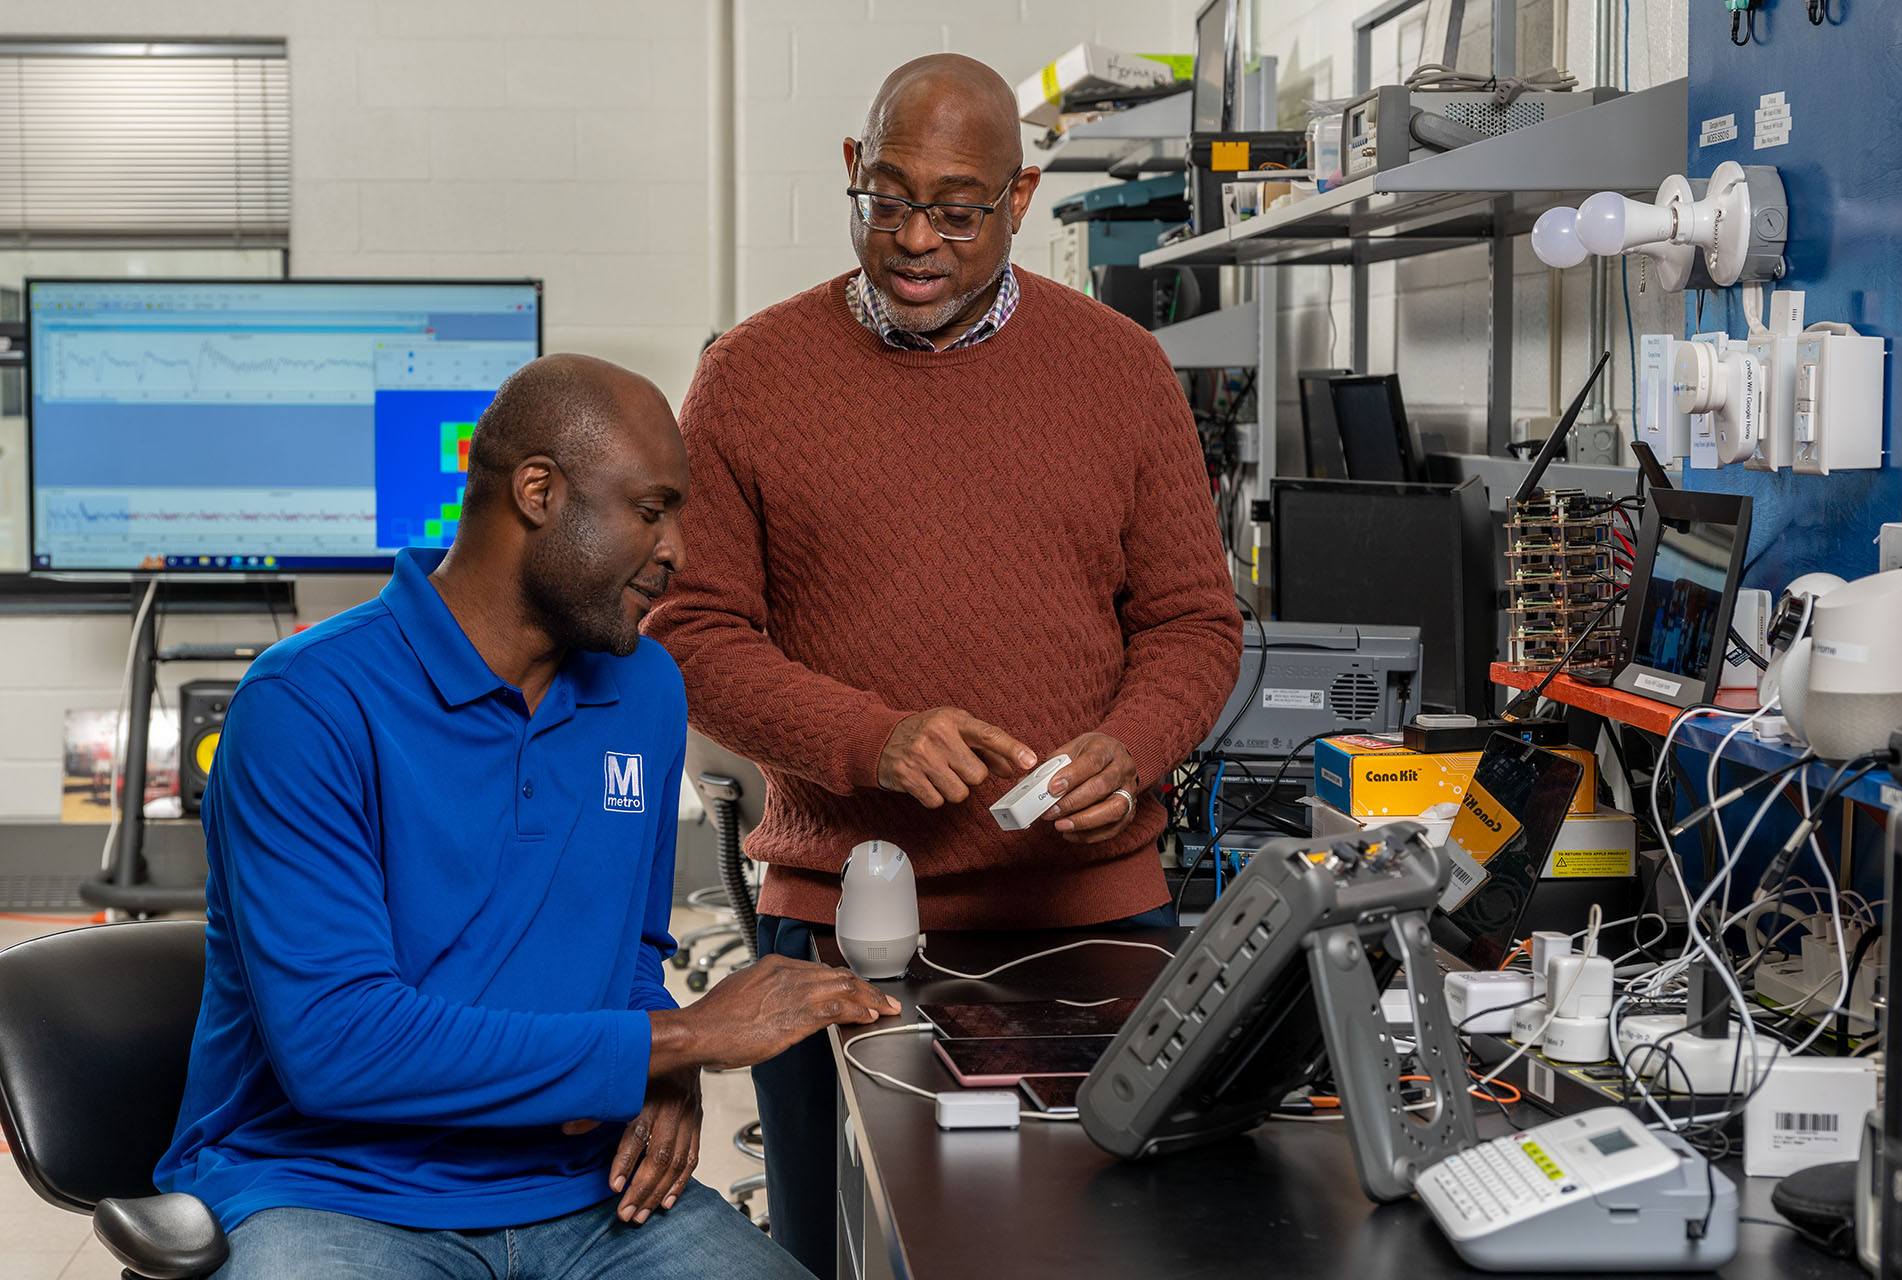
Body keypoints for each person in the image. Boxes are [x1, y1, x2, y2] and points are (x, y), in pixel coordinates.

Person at [642, 55, 1242, 1276]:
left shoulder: (1122, 370)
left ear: (1021, 201)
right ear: (855, 174)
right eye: (889, 199)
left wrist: (1132, 746)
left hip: (1095, 912)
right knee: (844, 1244)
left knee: (1107, 1243)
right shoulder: (751, 377)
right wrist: (872, 737)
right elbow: (691, 632)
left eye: (959, 210)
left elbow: (1193, 623)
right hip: (847, 937)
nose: (915, 239)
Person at [156, 354, 900, 1280]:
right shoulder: (307, 703)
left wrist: (656, 1062)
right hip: (330, 1191)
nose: (679, 553)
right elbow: (339, 1048)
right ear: (539, 492)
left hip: (585, 1193)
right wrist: (679, 1040)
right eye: (652, 509)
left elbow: (627, 953)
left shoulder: (643, 689)